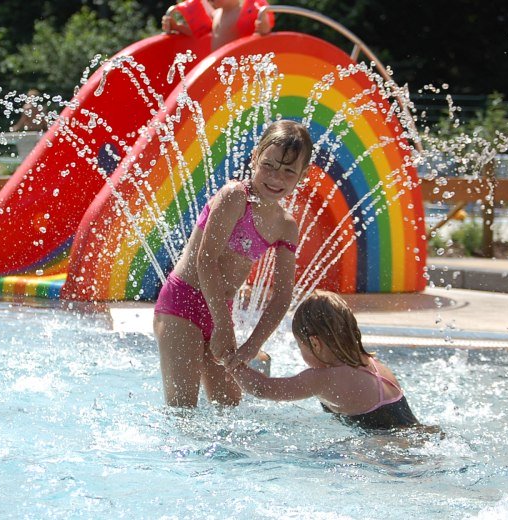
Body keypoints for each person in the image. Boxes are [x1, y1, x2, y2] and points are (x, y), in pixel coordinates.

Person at [154, 120, 313, 407]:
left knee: (228, 407)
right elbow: (206, 260)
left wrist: (252, 345)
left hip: (219, 310)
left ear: (303, 175)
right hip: (183, 302)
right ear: (255, 157)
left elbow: (282, 296)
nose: (276, 178)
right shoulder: (235, 197)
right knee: (183, 408)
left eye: (289, 171)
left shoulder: (285, 226)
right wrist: (224, 325)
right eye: (269, 165)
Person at [228, 290, 422, 430]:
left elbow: (263, 389)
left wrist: (230, 362)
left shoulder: (325, 378)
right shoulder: (373, 364)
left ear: (315, 343)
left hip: (388, 451)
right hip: (416, 435)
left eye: (300, 346)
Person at [162, 0, 273, 51]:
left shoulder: (241, 14)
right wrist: (177, 27)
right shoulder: (217, 14)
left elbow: (261, 36)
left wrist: (263, 26)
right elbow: (208, 33)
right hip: (218, 67)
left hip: (236, 69)